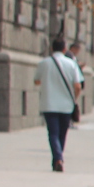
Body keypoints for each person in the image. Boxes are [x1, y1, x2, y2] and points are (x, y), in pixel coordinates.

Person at [34, 36, 83, 171]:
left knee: (53, 133)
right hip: (66, 105)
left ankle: (58, 158)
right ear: (65, 49)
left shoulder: (44, 63)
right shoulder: (71, 64)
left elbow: (36, 81)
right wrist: (74, 99)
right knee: (62, 133)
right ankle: (58, 158)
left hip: (49, 103)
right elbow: (78, 86)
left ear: (51, 48)